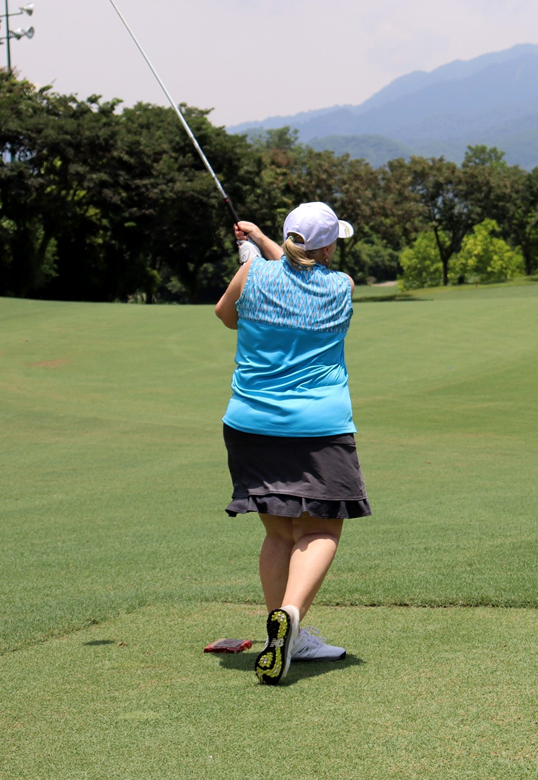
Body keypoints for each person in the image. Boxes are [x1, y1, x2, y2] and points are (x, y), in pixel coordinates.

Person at [214, 202, 369, 685]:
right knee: (320, 531)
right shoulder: (340, 287)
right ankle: (292, 616)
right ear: (326, 247)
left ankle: (282, 633)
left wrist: (255, 252)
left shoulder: (252, 276)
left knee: (279, 533)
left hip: (250, 425)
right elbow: (299, 269)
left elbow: (226, 316)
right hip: (318, 428)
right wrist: (259, 248)